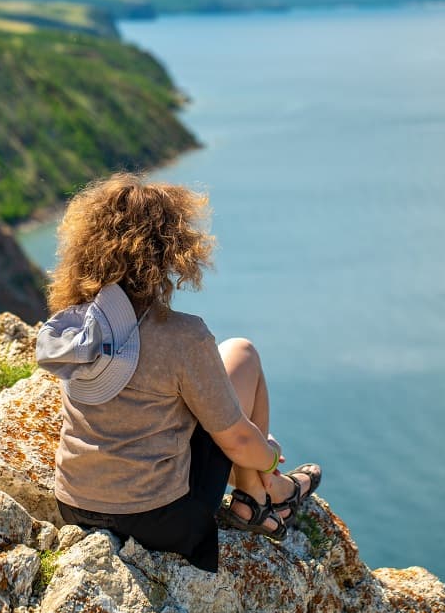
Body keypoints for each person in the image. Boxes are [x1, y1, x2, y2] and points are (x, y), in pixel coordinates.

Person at [36, 173, 321, 573]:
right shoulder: (184, 336)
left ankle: (263, 494)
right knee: (241, 354)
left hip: (75, 505)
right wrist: (269, 454)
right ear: (169, 249)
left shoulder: (77, 328)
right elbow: (239, 441)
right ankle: (262, 493)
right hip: (158, 521)